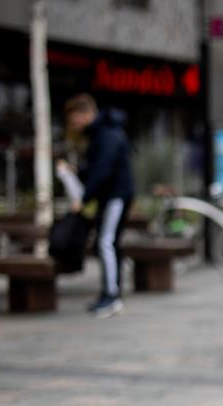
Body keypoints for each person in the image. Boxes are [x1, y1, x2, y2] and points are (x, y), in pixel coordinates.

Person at [63, 94, 134, 318]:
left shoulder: (107, 134)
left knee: (106, 242)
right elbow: (96, 169)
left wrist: (83, 199)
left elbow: (103, 170)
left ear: (86, 114)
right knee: (109, 242)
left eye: (75, 120)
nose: (74, 126)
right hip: (112, 195)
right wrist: (78, 172)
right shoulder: (101, 133)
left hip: (116, 195)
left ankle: (111, 296)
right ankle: (111, 293)